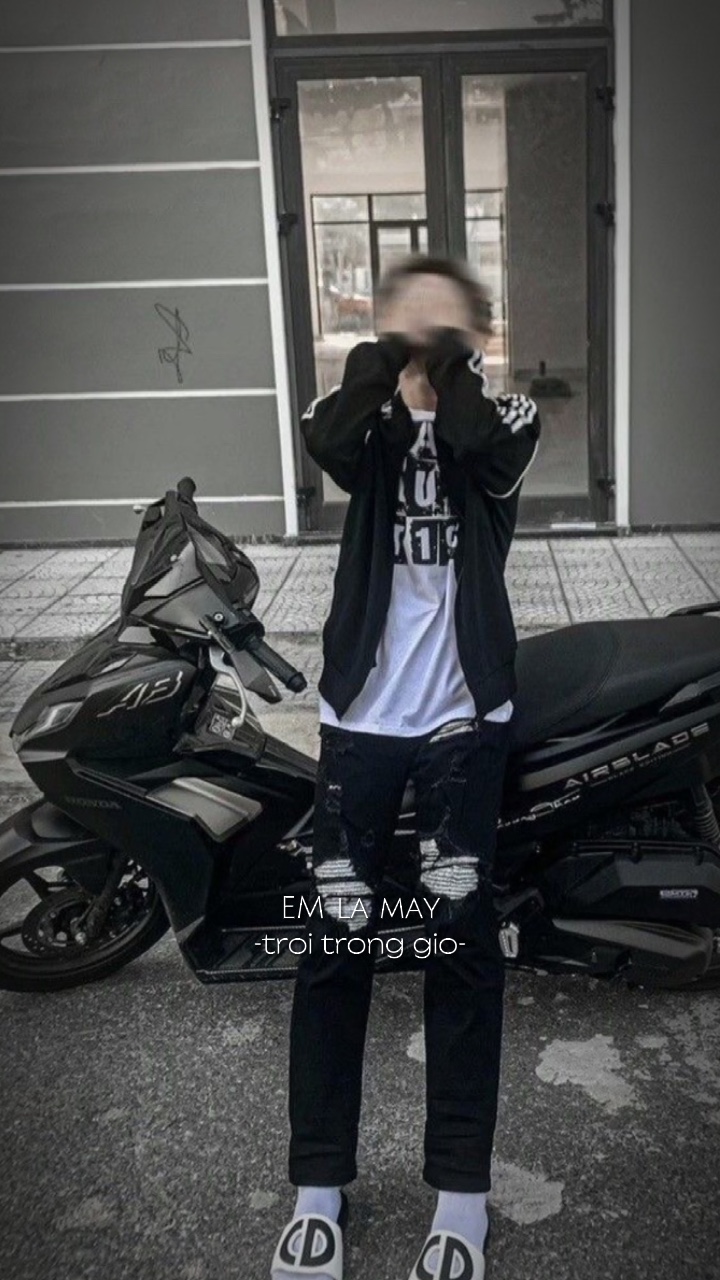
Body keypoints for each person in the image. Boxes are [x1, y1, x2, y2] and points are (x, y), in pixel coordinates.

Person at [270, 256, 541, 1280]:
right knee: (334, 945)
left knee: (459, 949)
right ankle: (318, 1187)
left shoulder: (504, 414)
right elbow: (327, 442)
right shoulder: (364, 411)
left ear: (474, 326)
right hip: (361, 720)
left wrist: (448, 367)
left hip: (464, 720)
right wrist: (388, 364)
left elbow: (482, 444)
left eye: (444, 313)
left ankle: (461, 1200)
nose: (422, 327)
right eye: (406, 312)